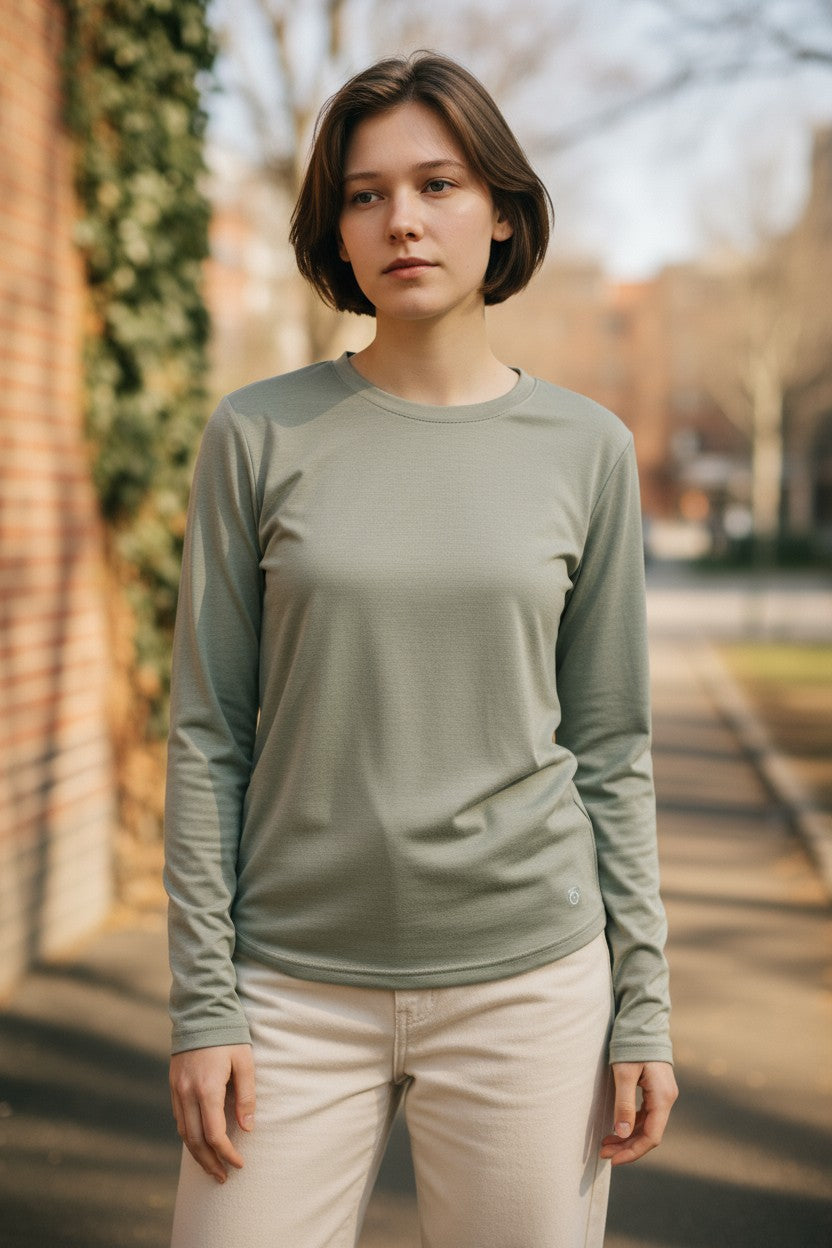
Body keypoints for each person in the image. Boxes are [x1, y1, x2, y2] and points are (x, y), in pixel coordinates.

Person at [164, 50, 678, 1248]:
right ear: (334, 228)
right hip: (289, 983)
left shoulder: (587, 448)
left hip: (530, 986)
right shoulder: (258, 435)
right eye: (364, 193)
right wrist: (203, 1005)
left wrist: (642, 1007)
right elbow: (204, 735)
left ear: (500, 211)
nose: (401, 219)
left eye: (438, 184)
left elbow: (609, 742)